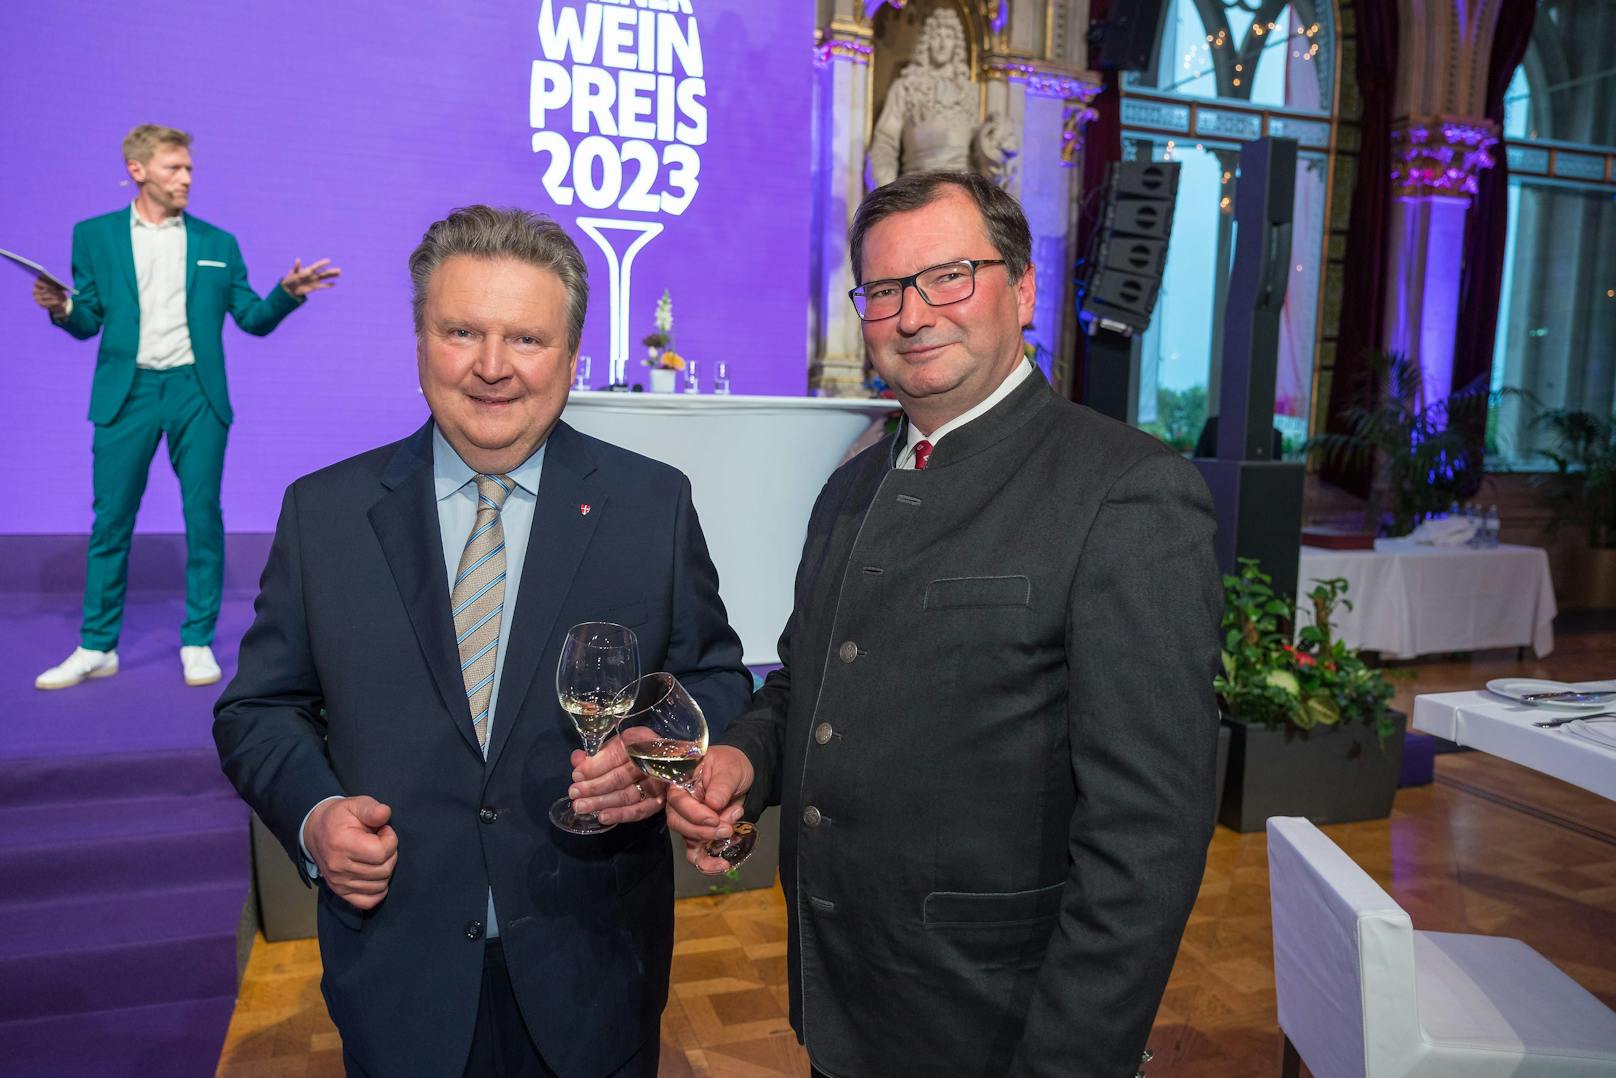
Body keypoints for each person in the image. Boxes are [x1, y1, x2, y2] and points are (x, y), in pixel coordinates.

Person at [667, 171, 1223, 1077]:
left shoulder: (1125, 490)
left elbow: (1148, 840)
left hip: (998, 1025)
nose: (914, 314)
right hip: (841, 1000)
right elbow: (811, 687)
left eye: (949, 277)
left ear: (1025, 289)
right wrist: (745, 759)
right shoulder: (850, 488)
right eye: (884, 291)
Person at [213, 205, 751, 1077]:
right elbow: (257, 710)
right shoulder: (325, 515)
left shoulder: (651, 507)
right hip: (398, 977)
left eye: (527, 339)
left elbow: (716, 681)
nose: (492, 368)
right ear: (420, 341)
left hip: (594, 970)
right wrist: (315, 820)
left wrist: (663, 756)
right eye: (462, 331)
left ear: (571, 358)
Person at [32, 123, 339, 691]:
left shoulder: (218, 244)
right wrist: (61, 308)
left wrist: (287, 294)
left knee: (203, 517)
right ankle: (97, 645)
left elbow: (251, 319)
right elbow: (87, 320)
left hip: (196, 393)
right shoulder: (93, 236)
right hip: (128, 393)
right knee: (111, 521)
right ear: (138, 170)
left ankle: (197, 640)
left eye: (190, 169)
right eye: (175, 168)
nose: (186, 179)